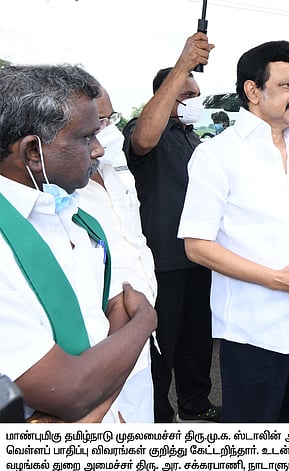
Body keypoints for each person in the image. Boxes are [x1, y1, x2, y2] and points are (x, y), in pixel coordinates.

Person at [177, 40, 289, 423]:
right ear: (253, 91)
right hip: (255, 332)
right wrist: (277, 279)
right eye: (286, 86)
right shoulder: (217, 154)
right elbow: (197, 246)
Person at [0, 64, 157, 423]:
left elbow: (117, 305)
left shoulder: (72, 216)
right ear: (32, 152)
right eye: (87, 137)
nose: (99, 149)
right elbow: (70, 391)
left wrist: (93, 402)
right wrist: (145, 322)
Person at [124, 32, 220, 423]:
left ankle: (195, 405)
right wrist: (181, 66)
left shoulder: (194, 139)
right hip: (163, 260)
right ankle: (158, 417)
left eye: (197, 96)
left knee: (197, 343)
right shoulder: (146, 131)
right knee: (162, 344)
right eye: (186, 95)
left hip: (200, 258)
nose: (194, 103)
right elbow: (144, 137)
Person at [76, 81, 158, 422]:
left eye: (109, 120)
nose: (105, 136)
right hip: (96, 348)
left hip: (140, 335)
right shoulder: (53, 193)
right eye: (96, 125)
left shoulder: (114, 165)